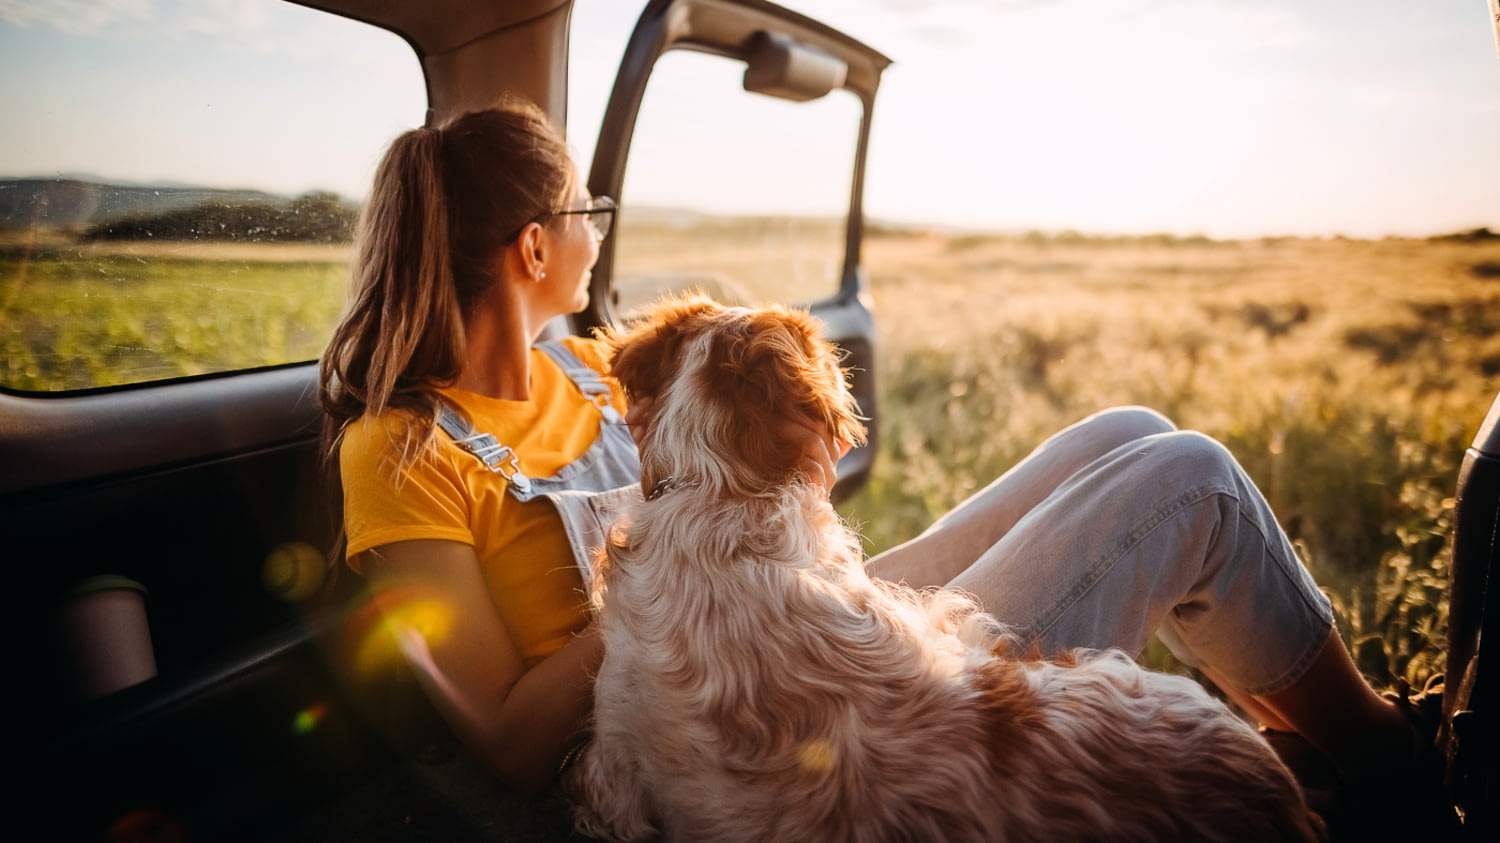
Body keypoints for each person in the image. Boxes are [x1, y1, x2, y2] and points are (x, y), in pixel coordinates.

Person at [317, 99, 1437, 822]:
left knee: (1128, 433)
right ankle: (1389, 766)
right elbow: (511, 743)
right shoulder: (399, 451)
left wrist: (732, 547)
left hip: (763, 631)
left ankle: (1324, 750)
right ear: (532, 246)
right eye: (587, 211)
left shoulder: (581, 366)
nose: (598, 234)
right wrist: (663, 592)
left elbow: (737, 470)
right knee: (1185, 478)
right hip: (689, 730)